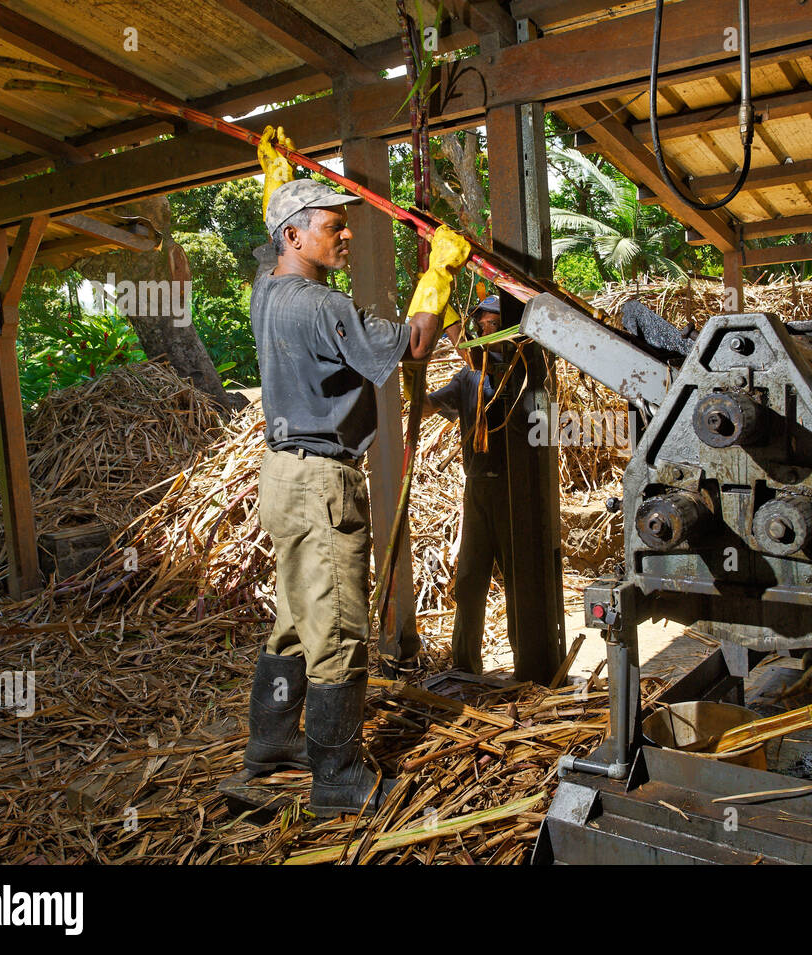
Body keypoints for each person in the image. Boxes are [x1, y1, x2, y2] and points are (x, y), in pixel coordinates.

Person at [241, 128, 467, 817]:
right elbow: (416, 343)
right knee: (337, 628)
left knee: (292, 620)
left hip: (280, 475)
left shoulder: (266, 291)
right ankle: (337, 778)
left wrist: (276, 185)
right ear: (296, 237)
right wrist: (439, 277)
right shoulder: (322, 307)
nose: (344, 237)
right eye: (332, 228)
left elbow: (267, 242)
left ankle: (273, 742)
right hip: (321, 484)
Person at [421, 296, 523, 676]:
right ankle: (466, 666)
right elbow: (428, 405)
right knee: (469, 580)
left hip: (514, 492)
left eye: (494, 324)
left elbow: (496, 377)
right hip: (478, 488)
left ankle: (527, 662)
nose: (486, 330)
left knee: (519, 579)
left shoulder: (519, 369)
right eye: (482, 324)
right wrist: (410, 371)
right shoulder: (467, 376)